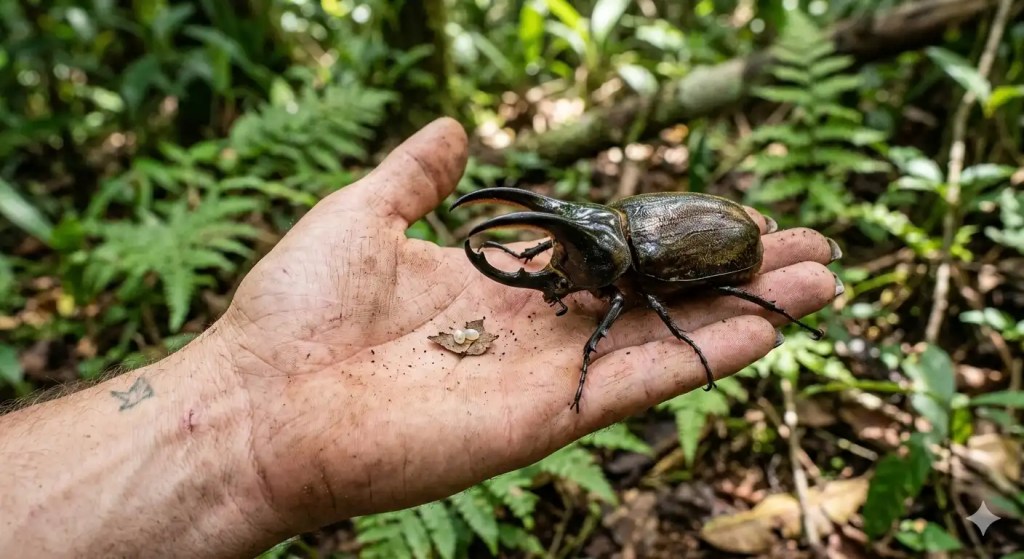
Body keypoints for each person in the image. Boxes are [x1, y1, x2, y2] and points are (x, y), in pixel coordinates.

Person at [0, 118, 841, 557]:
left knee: (742, 297)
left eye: (568, 269)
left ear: (604, 265)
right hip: (665, 228)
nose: (557, 281)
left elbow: (644, 304)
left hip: (714, 244)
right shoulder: (602, 239)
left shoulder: (639, 270)